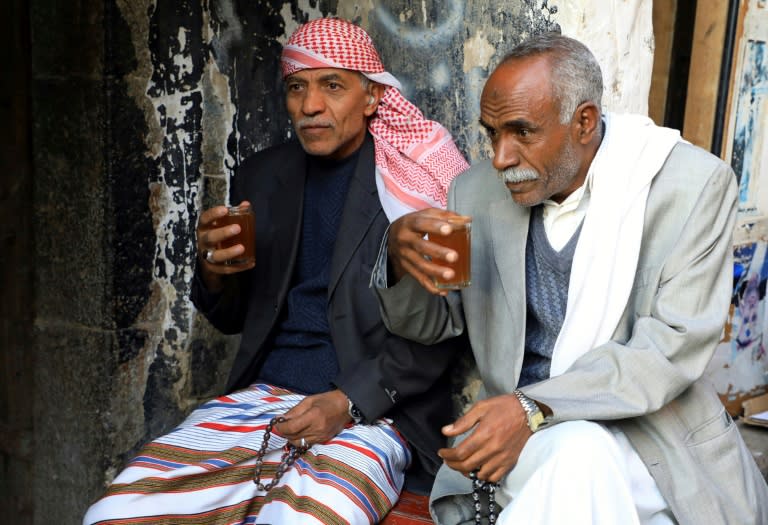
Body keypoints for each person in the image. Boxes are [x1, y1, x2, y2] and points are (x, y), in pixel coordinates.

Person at [84, 17, 469, 525]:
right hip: (263, 401)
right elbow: (235, 316)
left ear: (373, 98)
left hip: (374, 412)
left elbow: (439, 333)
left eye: (332, 86)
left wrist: (348, 402)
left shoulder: (411, 177)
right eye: (296, 88)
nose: (310, 106)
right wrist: (216, 273)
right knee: (115, 513)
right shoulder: (262, 176)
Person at [373, 32, 768, 525]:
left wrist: (532, 406)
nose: (500, 157)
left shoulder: (690, 187)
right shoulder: (473, 193)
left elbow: (671, 347)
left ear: (583, 122)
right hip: (524, 445)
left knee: (582, 457)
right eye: (491, 133)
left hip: (656, 442)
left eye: (521, 132)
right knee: (580, 456)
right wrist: (398, 261)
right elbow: (432, 326)